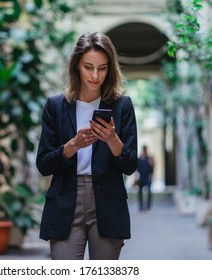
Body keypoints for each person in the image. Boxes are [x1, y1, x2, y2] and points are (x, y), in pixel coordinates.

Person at [36, 32, 138, 260]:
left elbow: (131, 165)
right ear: (76, 67)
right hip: (65, 201)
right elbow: (43, 164)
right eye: (88, 67)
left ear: (110, 69)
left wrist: (112, 139)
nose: (95, 75)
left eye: (102, 68)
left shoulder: (122, 106)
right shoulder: (56, 106)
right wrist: (73, 145)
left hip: (108, 201)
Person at [137, 145, 154, 212]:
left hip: (148, 178)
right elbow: (137, 169)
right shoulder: (140, 159)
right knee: (140, 192)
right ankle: (141, 207)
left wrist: (152, 164)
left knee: (149, 192)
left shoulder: (149, 158)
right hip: (141, 177)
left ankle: (148, 207)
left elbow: (152, 169)